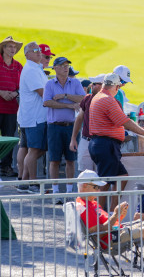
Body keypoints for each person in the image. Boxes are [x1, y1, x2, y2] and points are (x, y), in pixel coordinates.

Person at [88, 73, 144, 210]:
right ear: (116, 87)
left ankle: (111, 211)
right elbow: (125, 121)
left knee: (122, 176)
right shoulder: (107, 100)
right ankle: (99, 215)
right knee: (104, 182)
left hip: (102, 144)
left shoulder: (99, 96)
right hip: (105, 144)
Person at [77, 169, 144, 276]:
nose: (99, 190)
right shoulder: (84, 207)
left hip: (116, 232)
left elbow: (107, 223)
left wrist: (119, 216)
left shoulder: (92, 203)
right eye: (96, 187)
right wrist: (115, 215)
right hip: (111, 239)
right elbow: (98, 233)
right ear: (84, 186)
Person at [43, 56, 86, 203]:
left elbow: (83, 99)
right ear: (55, 68)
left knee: (70, 159)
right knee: (54, 160)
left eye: (67, 65)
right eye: (62, 66)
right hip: (54, 127)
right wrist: (68, 105)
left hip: (71, 127)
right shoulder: (50, 84)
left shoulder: (75, 82)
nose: (65, 68)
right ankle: (56, 192)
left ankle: (69, 191)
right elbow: (47, 102)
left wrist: (65, 96)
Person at [16, 42, 49, 193]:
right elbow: (43, 93)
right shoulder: (31, 69)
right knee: (34, 150)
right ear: (27, 54)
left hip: (32, 116)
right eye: (35, 50)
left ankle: (24, 181)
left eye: (39, 50)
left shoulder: (35, 68)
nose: (39, 52)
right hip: (34, 118)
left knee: (31, 149)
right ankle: (33, 184)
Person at [69, 73, 105, 173]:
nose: (91, 85)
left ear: (103, 86)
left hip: (101, 141)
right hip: (85, 140)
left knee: (101, 174)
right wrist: (73, 138)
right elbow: (79, 118)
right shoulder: (87, 98)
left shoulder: (108, 101)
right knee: (84, 174)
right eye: (92, 83)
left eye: (95, 84)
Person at [0, 36, 23, 177]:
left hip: (11, 108)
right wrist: (1, 92)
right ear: (3, 48)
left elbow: (24, 86)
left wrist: (15, 93)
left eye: (14, 47)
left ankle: (5, 166)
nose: (12, 49)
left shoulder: (18, 66)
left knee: (9, 138)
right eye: (10, 46)